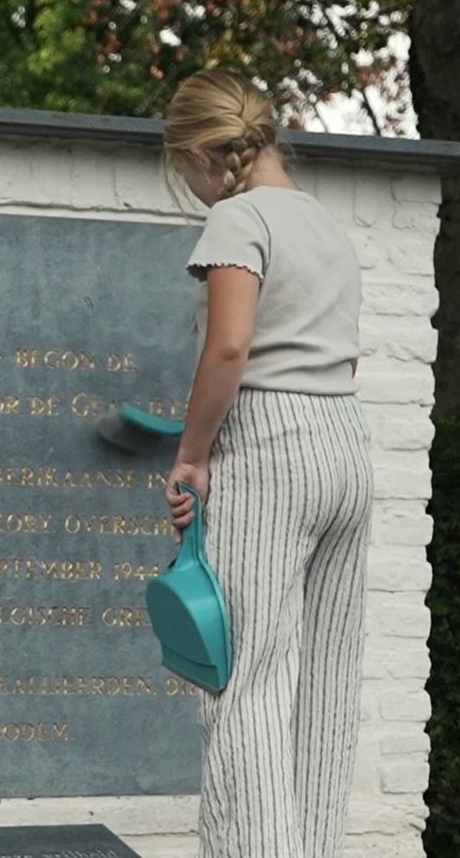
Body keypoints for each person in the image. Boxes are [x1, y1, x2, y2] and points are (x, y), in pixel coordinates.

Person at [162, 69, 373, 858]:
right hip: (345, 444)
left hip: (272, 441)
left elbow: (228, 346)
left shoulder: (237, 219)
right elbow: (344, 363)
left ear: (200, 155)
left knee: (244, 680)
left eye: (182, 169)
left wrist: (192, 455)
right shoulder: (325, 224)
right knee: (323, 681)